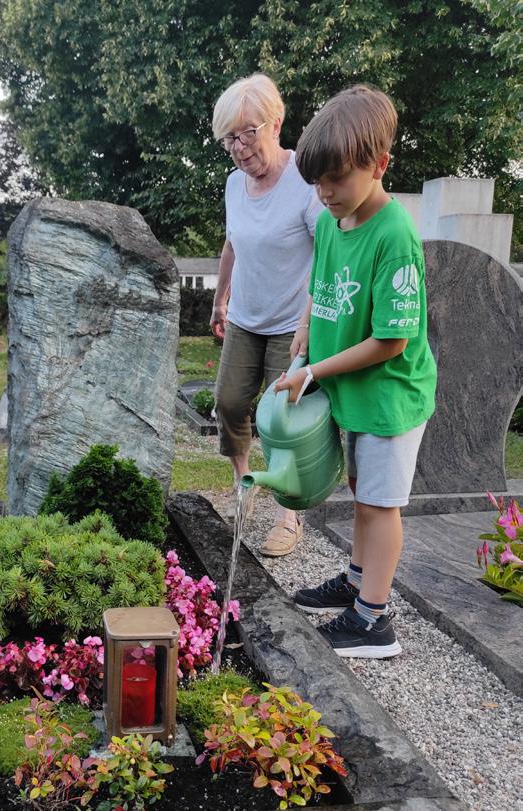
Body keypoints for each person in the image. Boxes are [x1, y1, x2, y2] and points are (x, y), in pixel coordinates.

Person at [274, 85, 437, 658]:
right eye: (316, 183)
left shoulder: (395, 236)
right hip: (352, 390)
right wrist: (304, 328)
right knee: (360, 490)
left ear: (379, 164)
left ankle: (373, 621)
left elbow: (392, 340)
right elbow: (319, 283)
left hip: (390, 397)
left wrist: (314, 369)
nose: (325, 193)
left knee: (379, 504)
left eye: (336, 179)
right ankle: (356, 580)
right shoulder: (330, 222)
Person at [210, 73, 323, 556]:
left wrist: (309, 322)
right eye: (229, 139)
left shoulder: (306, 180)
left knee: (282, 420)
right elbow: (232, 243)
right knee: (229, 402)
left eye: (247, 134)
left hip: (291, 324)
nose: (238, 148)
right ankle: (245, 483)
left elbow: (328, 252)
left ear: (275, 123)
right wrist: (220, 299)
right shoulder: (235, 185)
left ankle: (288, 515)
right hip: (245, 318)